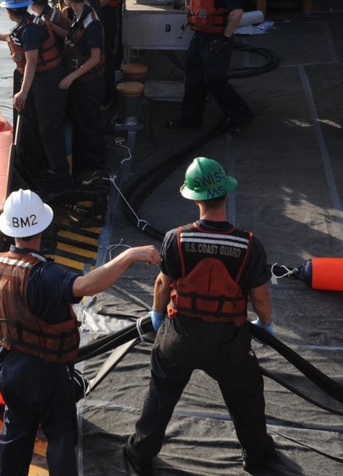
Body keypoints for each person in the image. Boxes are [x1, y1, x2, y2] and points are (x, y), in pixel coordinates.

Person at [0, 189, 161, 476]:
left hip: (10, 367)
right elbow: (86, 285)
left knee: (15, 433)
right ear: (42, 226)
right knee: (60, 435)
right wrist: (129, 255)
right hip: (48, 373)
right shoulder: (47, 275)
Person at [124, 157, 276, 475]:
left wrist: (156, 316)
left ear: (194, 198)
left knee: (161, 395)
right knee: (247, 396)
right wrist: (265, 323)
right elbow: (260, 297)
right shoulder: (249, 245)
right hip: (229, 342)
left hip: (179, 335)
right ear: (225, 194)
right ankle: (258, 456)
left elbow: (163, 283)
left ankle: (140, 453)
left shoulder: (176, 239)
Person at [0, 0, 73, 200]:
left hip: (47, 82)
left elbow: (31, 62)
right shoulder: (29, 23)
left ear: (9, 11)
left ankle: (63, 180)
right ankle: (49, 169)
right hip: (44, 80)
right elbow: (14, 36)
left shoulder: (31, 30)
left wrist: (22, 92)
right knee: (43, 128)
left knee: (49, 130)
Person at [167, 0, 254, 132]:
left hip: (215, 40)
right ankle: (190, 119)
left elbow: (237, 12)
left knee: (215, 80)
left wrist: (224, 37)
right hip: (200, 38)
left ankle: (241, 116)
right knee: (194, 79)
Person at [57, 0, 106, 182]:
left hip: (89, 83)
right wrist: (52, 28)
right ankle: (87, 162)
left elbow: (95, 58)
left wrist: (71, 77)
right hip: (82, 82)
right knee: (82, 122)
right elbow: (72, 37)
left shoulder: (91, 23)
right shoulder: (81, 16)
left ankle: (96, 167)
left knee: (90, 124)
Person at [87, 0, 127, 110]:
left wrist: (92, 9)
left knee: (106, 56)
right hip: (93, 13)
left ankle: (107, 97)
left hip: (107, 14)